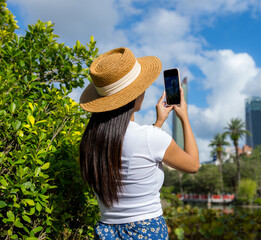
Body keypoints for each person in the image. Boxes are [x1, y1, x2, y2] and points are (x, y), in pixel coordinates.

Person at [79, 47, 199, 239]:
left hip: (105, 232)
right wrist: (184, 117)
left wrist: (158, 123)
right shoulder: (150, 138)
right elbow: (193, 165)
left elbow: (133, 149)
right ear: (134, 95)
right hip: (146, 232)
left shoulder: (90, 141)